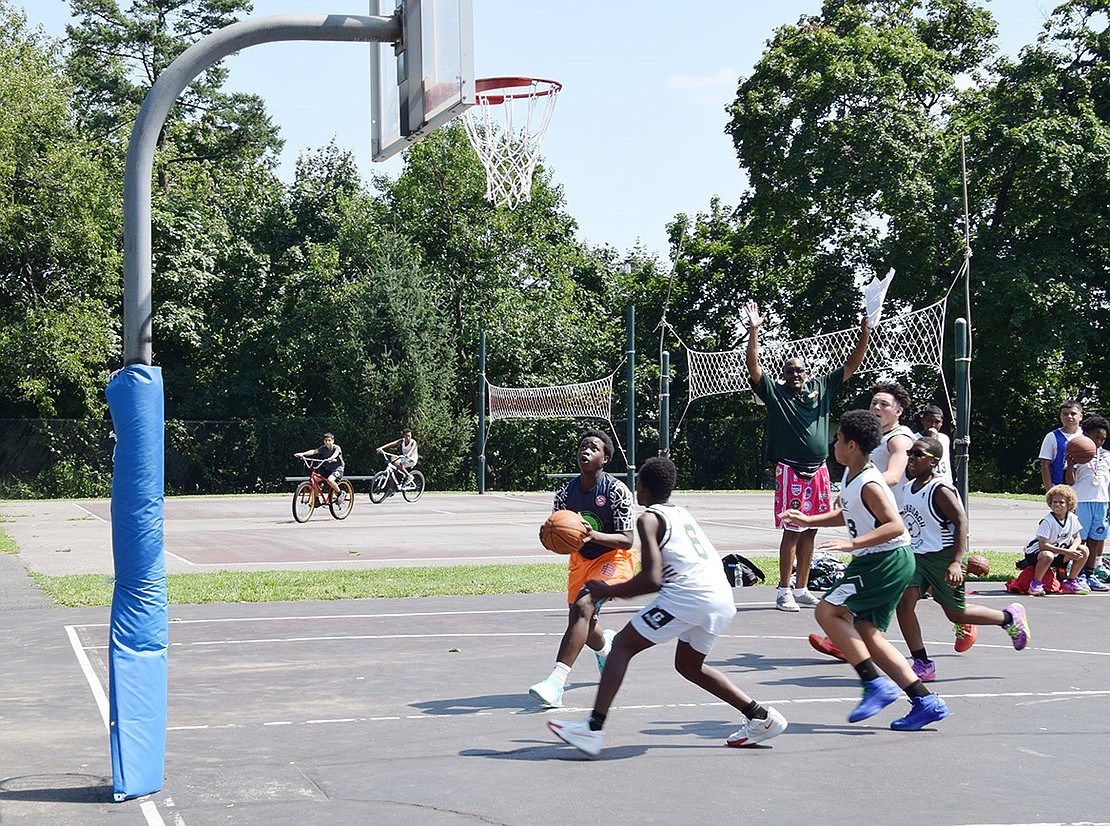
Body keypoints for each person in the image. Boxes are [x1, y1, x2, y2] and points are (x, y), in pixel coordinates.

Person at [547, 456, 787, 756]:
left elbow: (652, 579)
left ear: (641, 487)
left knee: (621, 645)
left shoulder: (648, 518)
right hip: (721, 597)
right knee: (688, 665)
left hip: (689, 596)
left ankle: (593, 728)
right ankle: (760, 717)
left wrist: (610, 589)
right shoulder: (681, 513)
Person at [781, 409, 948, 731]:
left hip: (885, 559)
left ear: (852, 445)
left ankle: (874, 683)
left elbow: (894, 525)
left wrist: (852, 545)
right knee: (868, 633)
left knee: (828, 612)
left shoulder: (870, 482)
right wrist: (809, 520)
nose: (834, 445)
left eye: (838, 439)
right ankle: (925, 700)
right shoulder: (852, 475)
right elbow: (849, 513)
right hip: (881, 559)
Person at [744, 299, 871, 612]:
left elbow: (852, 364)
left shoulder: (822, 387)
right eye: (790, 370)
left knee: (812, 528)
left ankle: (802, 587)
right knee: (792, 529)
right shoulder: (776, 392)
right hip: (791, 471)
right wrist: (754, 331)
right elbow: (753, 368)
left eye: (800, 369)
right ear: (784, 375)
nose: (795, 374)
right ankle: (783, 589)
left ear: (808, 372)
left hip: (819, 471)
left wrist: (865, 332)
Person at [895, 436, 1030, 682]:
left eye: (918, 454)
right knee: (903, 605)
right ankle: (922, 663)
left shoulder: (940, 489)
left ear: (933, 461)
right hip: (917, 556)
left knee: (956, 614)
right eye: (910, 453)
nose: (911, 458)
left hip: (942, 556)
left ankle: (1009, 617)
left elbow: (960, 522)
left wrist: (957, 562)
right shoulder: (908, 488)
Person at [528, 429, 636, 708]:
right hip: (581, 560)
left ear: (606, 458)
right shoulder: (565, 493)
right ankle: (606, 649)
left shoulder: (616, 491)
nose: (585, 451)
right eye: (582, 446)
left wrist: (593, 536)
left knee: (583, 606)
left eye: (592, 448)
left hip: (614, 558)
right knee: (583, 621)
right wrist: (548, 537)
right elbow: (561, 536)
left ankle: (556, 683)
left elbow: (627, 538)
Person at [1063, 414, 1110, 593]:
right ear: (1086, 434)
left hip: (1102, 501)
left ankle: (1091, 574)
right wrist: (1070, 463)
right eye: (1095, 437)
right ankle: (1077, 573)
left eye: (1102, 439)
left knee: (1096, 539)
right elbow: (1070, 482)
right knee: (1080, 539)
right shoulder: (1077, 452)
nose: (1098, 441)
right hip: (1082, 501)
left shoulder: (1107, 455)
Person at [1020, 484, 1088, 597]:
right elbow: (1043, 545)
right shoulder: (1047, 521)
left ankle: (1070, 581)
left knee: (1084, 550)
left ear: (1069, 504)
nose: (1057, 504)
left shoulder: (1072, 518)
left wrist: (1072, 549)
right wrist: (1067, 552)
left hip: (1060, 552)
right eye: (1054, 502)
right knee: (1048, 555)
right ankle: (1035, 584)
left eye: (1061, 502)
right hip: (1037, 553)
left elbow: (1077, 537)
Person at [1039, 400, 1083, 492]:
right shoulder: (1052, 436)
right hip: (1060, 486)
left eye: (1073, 413)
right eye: (1065, 414)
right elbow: (1045, 465)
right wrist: (1049, 489)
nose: (1069, 417)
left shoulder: (1087, 436)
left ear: (1081, 416)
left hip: (1084, 487)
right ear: (1061, 417)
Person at [293, 432, 344, 497]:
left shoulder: (336, 448)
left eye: (329, 440)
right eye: (326, 441)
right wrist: (302, 454)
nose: (327, 442)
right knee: (313, 479)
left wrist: (331, 458)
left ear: (333, 441)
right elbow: (314, 451)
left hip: (337, 469)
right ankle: (316, 498)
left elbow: (336, 454)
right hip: (328, 470)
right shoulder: (323, 448)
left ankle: (340, 494)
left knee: (330, 480)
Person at [913, 404, 953, 486]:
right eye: (929, 421)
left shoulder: (944, 438)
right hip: (924, 483)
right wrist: (932, 438)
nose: (933, 425)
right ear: (922, 421)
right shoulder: (914, 439)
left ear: (941, 423)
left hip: (944, 481)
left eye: (937, 422)